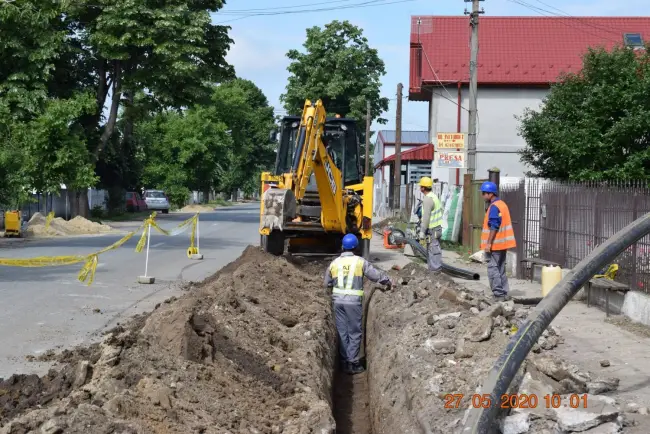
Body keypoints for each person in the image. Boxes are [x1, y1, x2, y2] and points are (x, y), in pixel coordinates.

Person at [324, 234, 392, 375]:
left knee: (343, 332)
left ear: (342, 247)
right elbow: (375, 276)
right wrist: (388, 280)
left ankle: (344, 361)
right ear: (356, 247)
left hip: (338, 302)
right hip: (353, 303)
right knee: (354, 332)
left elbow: (327, 283)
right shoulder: (360, 262)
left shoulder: (334, 263)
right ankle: (353, 363)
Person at [479, 181, 517, 301]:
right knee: (501, 269)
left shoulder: (494, 207)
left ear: (490, 194)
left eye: (484, 193)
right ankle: (504, 293)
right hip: (503, 244)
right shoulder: (502, 204)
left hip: (495, 245)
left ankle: (498, 295)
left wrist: (488, 243)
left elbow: (494, 226)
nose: (483, 196)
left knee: (493, 269)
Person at [418, 176, 444, 273]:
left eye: (421, 186)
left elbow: (426, 217)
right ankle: (433, 271)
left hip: (433, 230)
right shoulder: (434, 196)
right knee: (432, 250)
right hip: (436, 228)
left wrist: (422, 231)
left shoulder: (428, 199)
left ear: (423, 188)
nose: (420, 188)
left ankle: (435, 273)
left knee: (433, 251)